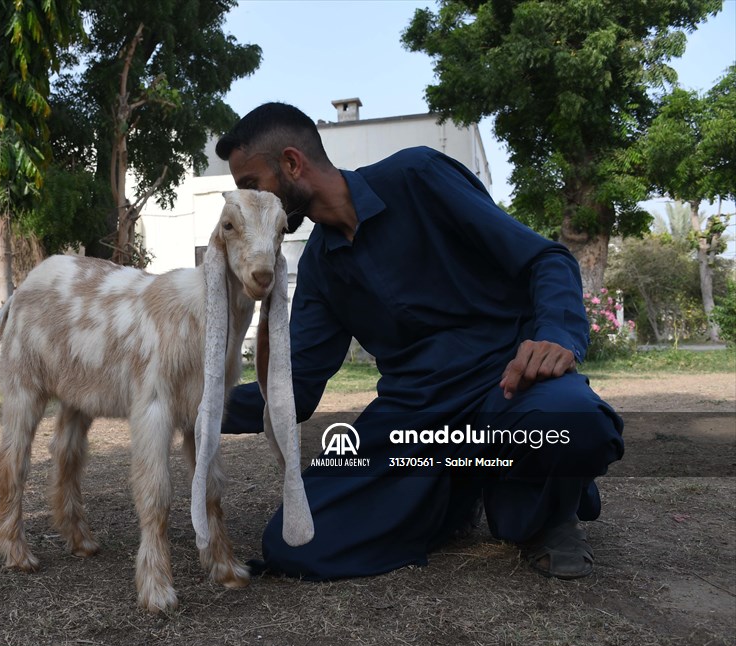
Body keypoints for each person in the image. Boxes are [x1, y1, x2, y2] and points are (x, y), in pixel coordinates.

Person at [217, 102, 624, 581]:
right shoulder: (320, 269)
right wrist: (200, 405)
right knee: (295, 540)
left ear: (291, 163)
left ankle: (546, 516)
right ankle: (453, 495)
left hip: (508, 384)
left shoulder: (418, 176)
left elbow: (546, 259)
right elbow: (295, 391)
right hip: (415, 420)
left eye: (249, 186)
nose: (244, 203)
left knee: (575, 421)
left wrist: (556, 335)